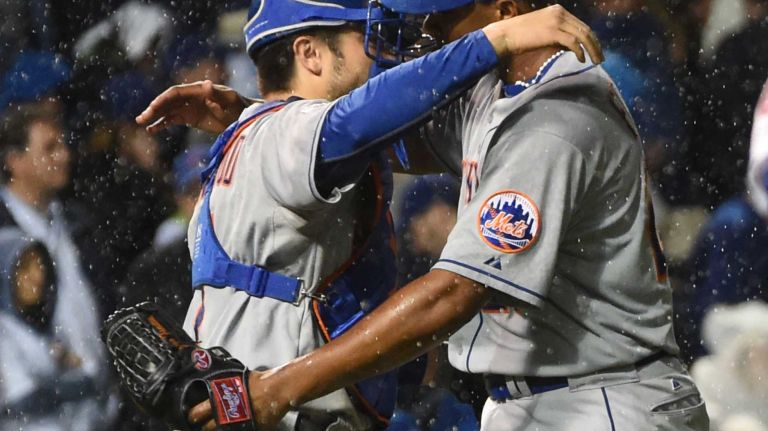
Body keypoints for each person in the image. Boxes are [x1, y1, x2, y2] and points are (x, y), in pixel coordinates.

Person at [153, 2, 707, 430]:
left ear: (510, 14)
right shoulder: (497, 96)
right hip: (546, 398)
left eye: (440, 19)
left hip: (600, 401)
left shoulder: (551, 119)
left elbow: (451, 297)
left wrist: (278, 388)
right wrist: (265, 127)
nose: (422, 39)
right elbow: (374, 138)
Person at [0, 102, 117, 429]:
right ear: (14, 161)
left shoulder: (77, 222)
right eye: (49, 148)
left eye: (63, 145)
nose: (63, 155)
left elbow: (102, 301)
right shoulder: (2, 234)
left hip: (96, 409)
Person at [0, 227, 104, 430]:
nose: (36, 277)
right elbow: (22, 400)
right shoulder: (3, 329)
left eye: (39, 265)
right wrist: (79, 385)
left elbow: (90, 369)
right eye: (24, 267)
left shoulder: (44, 325)